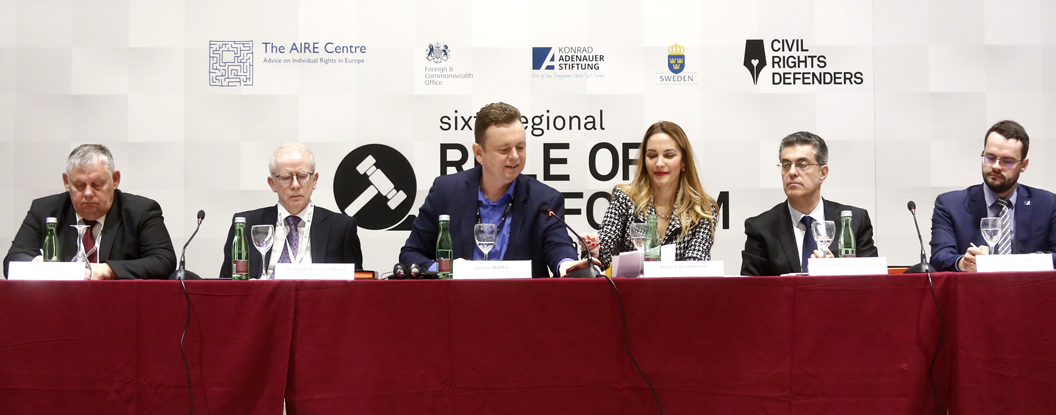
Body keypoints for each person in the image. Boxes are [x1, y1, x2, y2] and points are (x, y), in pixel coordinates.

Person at [399, 102, 596, 278]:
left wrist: (566, 264)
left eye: (520, 147)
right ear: (479, 153)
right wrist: (446, 269)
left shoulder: (544, 199)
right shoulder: (446, 192)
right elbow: (411, 254)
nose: (515, 156)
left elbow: (558, 245)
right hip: (456, 302)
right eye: (504, 150)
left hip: (520, 303)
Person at [2, 144, 177, 279]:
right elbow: (12, 260)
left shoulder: (140, 211)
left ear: (115, 180)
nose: (87, 193)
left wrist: (107, 270)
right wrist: (34, 264)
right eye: (79, 185)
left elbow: (163, 261)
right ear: (67, 182)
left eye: (97, 185)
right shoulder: (45, 210)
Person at [929, 120, 1056, 272]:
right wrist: (962, 262)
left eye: (1007, 161)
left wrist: (1031, 261)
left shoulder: (1045, 203)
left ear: (1023, 165)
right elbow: (939, 257)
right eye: (990, 158)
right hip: (974, 286)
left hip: (1027, 286)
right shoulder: (950, 204)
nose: (995, 166)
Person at [739, 132, 879, 276]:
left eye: (802, 164)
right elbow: (750, 287)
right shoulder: (761, 227)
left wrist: (836, 270)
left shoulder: (854, 221)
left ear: (823, 173)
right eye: (786, 165)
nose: (792, 172)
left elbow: (874, 281)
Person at [219, 143, 363, 279]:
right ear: (272, 183)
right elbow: (226, 285)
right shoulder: (246, 225)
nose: (295, 185)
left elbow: (357, 287)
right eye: (286, 178)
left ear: (314, 180)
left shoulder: (341, 228)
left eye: (302, 176)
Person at [586, 121, 719, 267]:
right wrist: (596, 250)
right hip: (631, 282)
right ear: (644, 160)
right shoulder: (625, 198)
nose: (659, 163)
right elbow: (606, 247)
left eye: (669, 155)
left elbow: (696, 264)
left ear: (684, 162)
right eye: (652, 155)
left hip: (680, 282)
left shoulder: (703, 209)